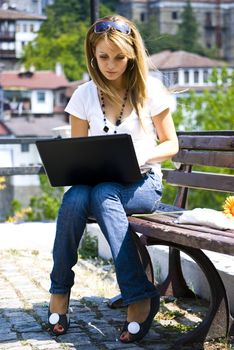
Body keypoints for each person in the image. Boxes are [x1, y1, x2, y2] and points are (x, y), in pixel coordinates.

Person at [48, 14, 179, 343]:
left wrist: (142, 156)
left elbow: (171, 144)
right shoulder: (83, 95)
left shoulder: (150, 91)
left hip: (143, 184)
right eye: (103, 57)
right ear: (93, 54)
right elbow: (80, 152)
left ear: (132, 54)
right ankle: (60, 290)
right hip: (100, 185)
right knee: (76, 196)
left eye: (119, 57)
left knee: (103, 192)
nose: (110, 64)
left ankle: (137, 296)